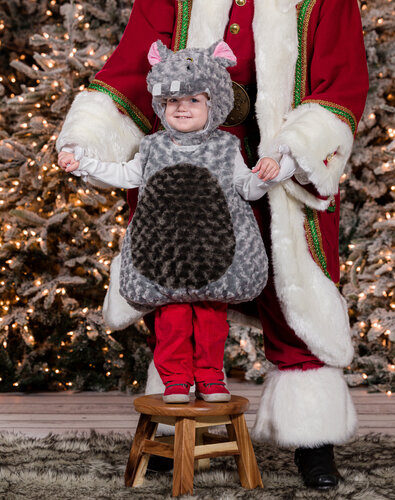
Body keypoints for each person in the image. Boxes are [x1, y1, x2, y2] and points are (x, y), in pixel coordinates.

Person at [56, 0, 369, 489]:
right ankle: (175, 419)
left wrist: (297, 149)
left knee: (296, 291)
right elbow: (134, 67)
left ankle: (313, 438)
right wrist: (88, 138)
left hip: (274, 157)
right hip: (182, 152)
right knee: (175, 282)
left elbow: (342, 79)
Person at [58, 40, 295, 404]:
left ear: (214, 103)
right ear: (160, 104)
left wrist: (269, 172)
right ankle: (176, 380)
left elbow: (247, 189)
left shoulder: (225, 148)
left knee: (211, 322)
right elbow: (125, 175)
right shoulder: (152, 147)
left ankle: (211, 377)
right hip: (165, 254)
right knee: (171, 322)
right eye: (172, 101)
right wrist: (85, 162)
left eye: (194, 100)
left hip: (213, 251)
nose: (182, 108)